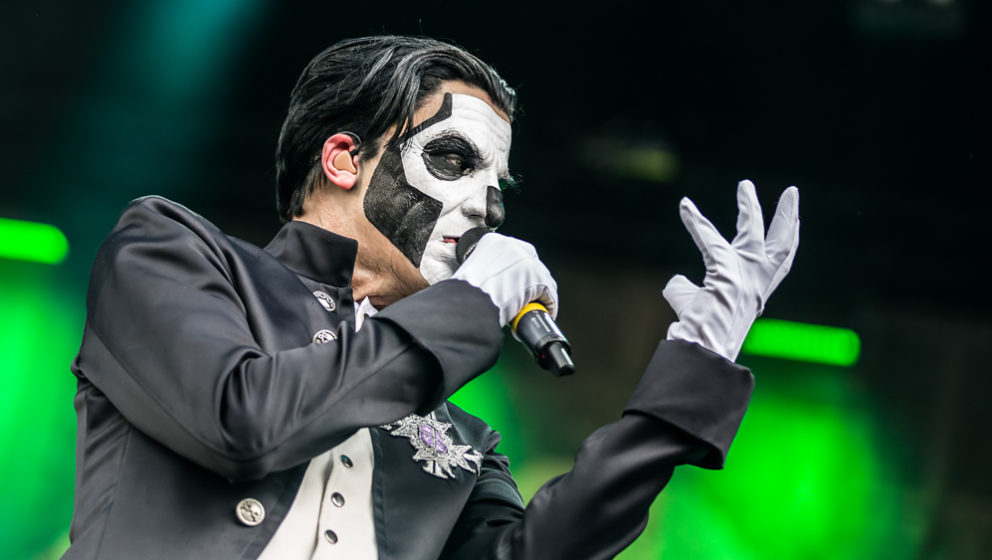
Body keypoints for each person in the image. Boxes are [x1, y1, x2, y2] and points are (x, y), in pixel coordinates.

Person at [64, 35, 799, 559]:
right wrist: (472, 304)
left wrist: (694, 367)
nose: (489, 207)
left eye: (499, 186)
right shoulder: (170, 251)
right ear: (344, 158)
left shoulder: (462, 438)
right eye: (453, 159)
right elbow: (244, 422)